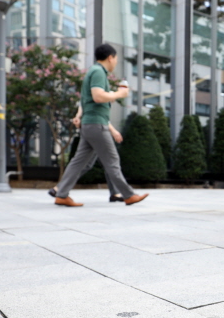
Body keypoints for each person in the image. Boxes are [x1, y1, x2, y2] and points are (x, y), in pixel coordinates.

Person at [53, 43, 148, 207]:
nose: (116, 62)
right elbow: (97, 97)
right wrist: (121, 93)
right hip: (96, 124)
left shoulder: (94, 71)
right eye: (116, 59)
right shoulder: (98, 72)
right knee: (112, 161)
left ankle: (61, 194)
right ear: (110, 57)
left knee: (79, 162)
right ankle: (129, 195)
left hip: (90, 124)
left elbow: (91, 98)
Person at [47, 105, 124, 203]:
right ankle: (116, 193)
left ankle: (59, 188)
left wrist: (78, 116)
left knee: (89, 164)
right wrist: (113, 131)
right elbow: (100, 116)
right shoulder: (99, 91)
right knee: (110, 162)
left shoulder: (91, 93)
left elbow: (83, 104)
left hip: (91, 129)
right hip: (98, 130)